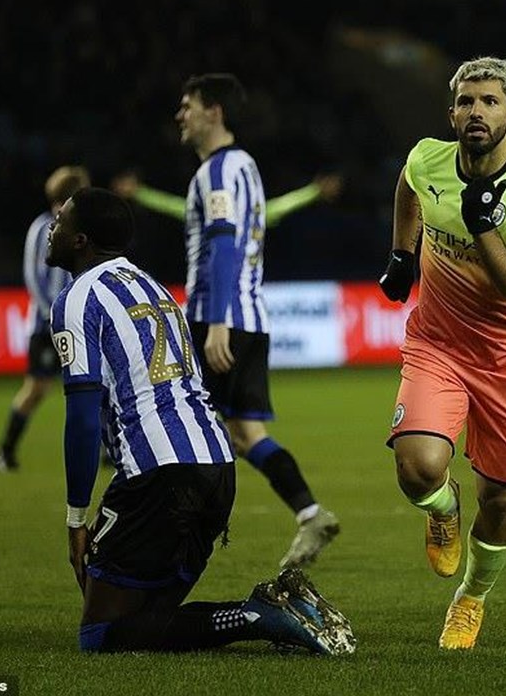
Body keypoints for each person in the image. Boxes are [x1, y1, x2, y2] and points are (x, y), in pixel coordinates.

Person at [45, 187, 354, 655]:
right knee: (149, 619)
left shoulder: (76, 298)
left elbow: (83, 418)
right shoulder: (153, 287)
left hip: (159, 476)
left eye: (61, 220)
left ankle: (257, 614)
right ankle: (280, 609)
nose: (53, 225)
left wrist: (75, 519)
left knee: (102, 634)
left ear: (81, 240)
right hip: (217, 467)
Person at [377, 56, 506, 649]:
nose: (475, 111)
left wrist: (485, 228)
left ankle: (471, 599)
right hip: (438, 343)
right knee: (417, 469)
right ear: (451, 112)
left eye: (487, 102)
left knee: (503, 498)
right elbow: (408, 185)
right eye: (465, 102)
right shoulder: (428, 158)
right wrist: (403, 255)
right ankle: (441, 507)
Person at [175, 73, 338, 569]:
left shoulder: (220, 172)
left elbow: (225, 246)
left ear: (214, 112)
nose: (180, 115)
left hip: (220, 317)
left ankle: (179, 533)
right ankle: (310, 512)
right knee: (245, 435)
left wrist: (218, 322)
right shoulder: (244, 167)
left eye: (188, 106)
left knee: (185, 425)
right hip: (250, 315)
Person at [0, 165, 91, 472]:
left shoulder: (82, 231)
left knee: (96, 387)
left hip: (79, 325)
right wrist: (53, 313)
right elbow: (33, 277)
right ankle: (5, 451)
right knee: (36, 389)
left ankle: (106, 451)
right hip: (46, 325)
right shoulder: (42, 227)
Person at [112, 168, 343, 227]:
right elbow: (173, 206)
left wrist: (314, 192)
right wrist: (139, 193)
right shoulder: (208, 216)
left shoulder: (248, 217)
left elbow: (280, 207)